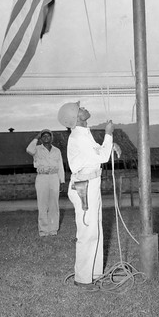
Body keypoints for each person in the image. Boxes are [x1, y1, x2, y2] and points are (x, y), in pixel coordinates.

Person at [57, 100, 120, 291]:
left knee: (95, 230)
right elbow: (101, 157)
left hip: (91, 184)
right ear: (77, 117)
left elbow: (97, 153)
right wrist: (108, 134)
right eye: (80, 108)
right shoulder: (77, 136)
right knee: (87, 232)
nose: (84, 108)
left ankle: (94, 274)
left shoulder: (84, 133)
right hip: (84, 186)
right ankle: (83, 279)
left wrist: (111, 143)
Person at [26, 129, 65, 237]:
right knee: (42, 205)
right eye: (44, 136)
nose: (46, 138)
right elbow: (29, 150)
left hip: (54, 177)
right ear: (41, 138)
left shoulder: (57, 150)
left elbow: (60, 166)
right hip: (42, 177)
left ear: (51, 138)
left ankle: (53, 230)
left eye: (48, 136)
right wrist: (36, 137)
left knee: (54, 205)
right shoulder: (36, 149)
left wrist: (62, 181)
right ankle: (43, 231)